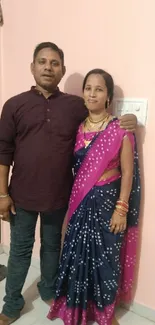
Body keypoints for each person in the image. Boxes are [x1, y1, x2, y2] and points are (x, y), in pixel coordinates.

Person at [0, 42, 137, 325]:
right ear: (32, 67)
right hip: (22, 195)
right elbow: (3, 152)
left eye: (54, 63)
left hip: (59, 198)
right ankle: (12, 304)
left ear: (62, 70)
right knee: (20, 252)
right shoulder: (14, 105)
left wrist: (131, 119)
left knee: (52, 248)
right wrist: (2, 194)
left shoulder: (74, 106)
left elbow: (103, 123)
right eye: (42, 61)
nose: (48, 67)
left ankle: (49, 290)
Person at [47, 69, 140, 325]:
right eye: (88, 88)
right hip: (80, 202)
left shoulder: (120, 128)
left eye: (99, 89)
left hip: (108, 202)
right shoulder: (78, 129)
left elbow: (128, 173)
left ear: (108, 96)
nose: (92, 93)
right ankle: (77, 308)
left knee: (105, 260)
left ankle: (104, 312)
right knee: (77, 255)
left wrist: (121, 209)